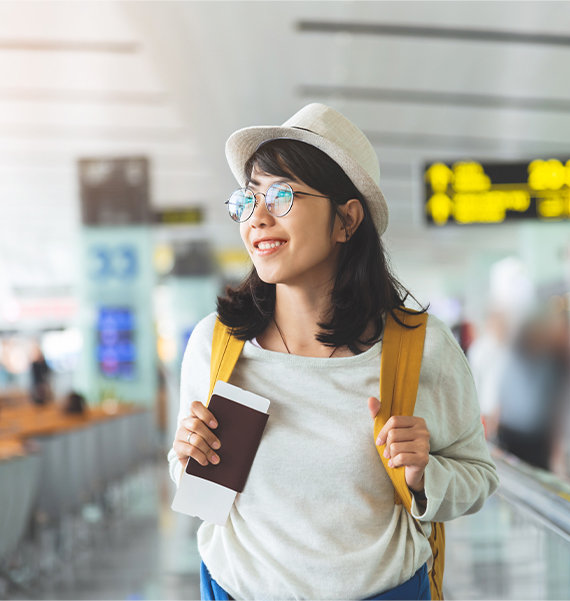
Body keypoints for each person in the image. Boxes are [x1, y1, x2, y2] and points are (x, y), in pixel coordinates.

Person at [168, 103, 499, 600]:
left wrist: (422, 473)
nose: (257, 218)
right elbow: (195, 487)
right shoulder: (217, 344)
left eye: (281, 196)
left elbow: (478, 476)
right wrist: (187, 455)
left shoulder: (418, 348)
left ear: (346, 220)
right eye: (247, 199)